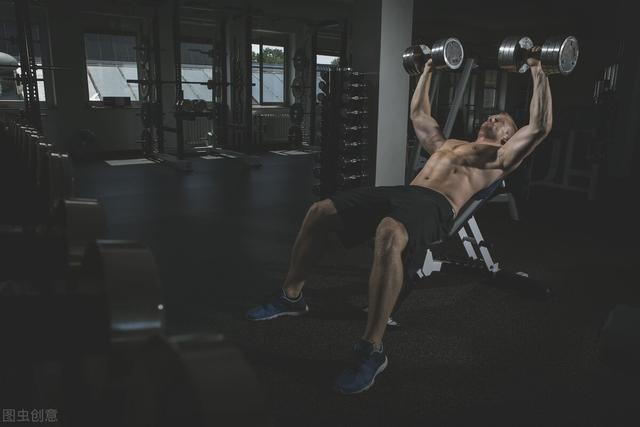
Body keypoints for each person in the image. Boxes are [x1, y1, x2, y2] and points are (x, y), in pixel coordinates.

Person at [246, 56, 552, 394]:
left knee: (389, 232)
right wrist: (428, 70)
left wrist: (538, 70)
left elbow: (539, 127)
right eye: (491, 115)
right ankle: (291, 295)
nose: (491, 118)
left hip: (437, 205)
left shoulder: (500, 158)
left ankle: (371, 349)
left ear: (509, 136)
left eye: (501, 120)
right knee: (320, 211)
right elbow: (419, 115)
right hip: (405, 192)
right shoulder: (448, 144)